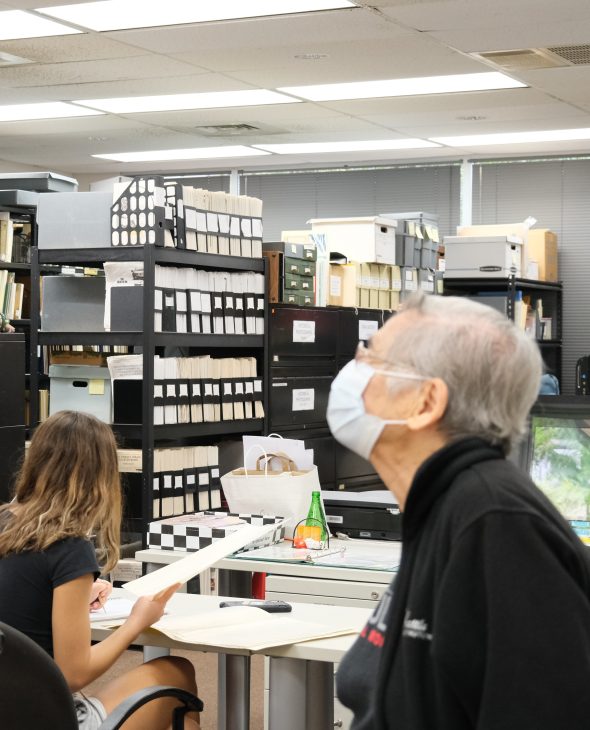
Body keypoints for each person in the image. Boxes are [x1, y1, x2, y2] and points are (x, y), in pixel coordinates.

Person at [329, 292, 590, 729]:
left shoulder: (496, 525)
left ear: (426, 402)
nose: (352, 369)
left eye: (370, 355)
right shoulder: (441, 504)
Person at [0, 410, 200, 730]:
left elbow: (19, 593)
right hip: (48, 717)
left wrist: (74, 594)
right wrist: (136, 622)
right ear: (100, 474)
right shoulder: (68, 546)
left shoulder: (5, 521)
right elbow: (73, 673)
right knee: (178, 673)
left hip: (8, 710)